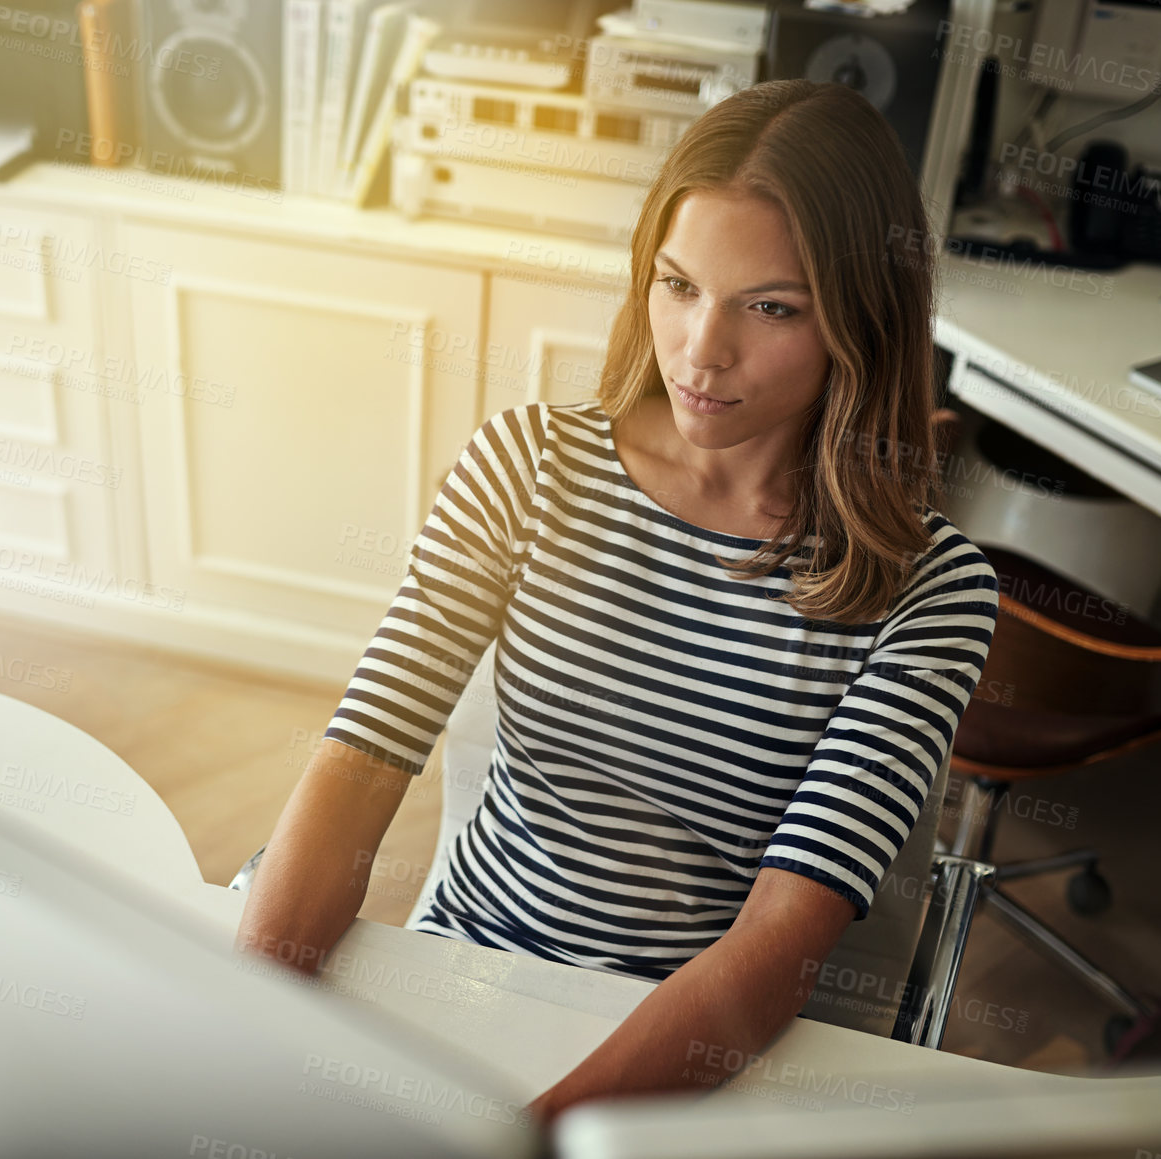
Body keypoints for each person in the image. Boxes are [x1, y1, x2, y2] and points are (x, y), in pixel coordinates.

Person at [235, 79, 1000, 1125]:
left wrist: (524, 1137)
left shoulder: (934, 593)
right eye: (678, 285)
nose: (701, 349)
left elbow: (777, 950)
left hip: (686, 1057)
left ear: (859, 322)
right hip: (468, 977)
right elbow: (361, 765)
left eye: (769, 307)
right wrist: (245, 1026)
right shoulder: (526, 466)